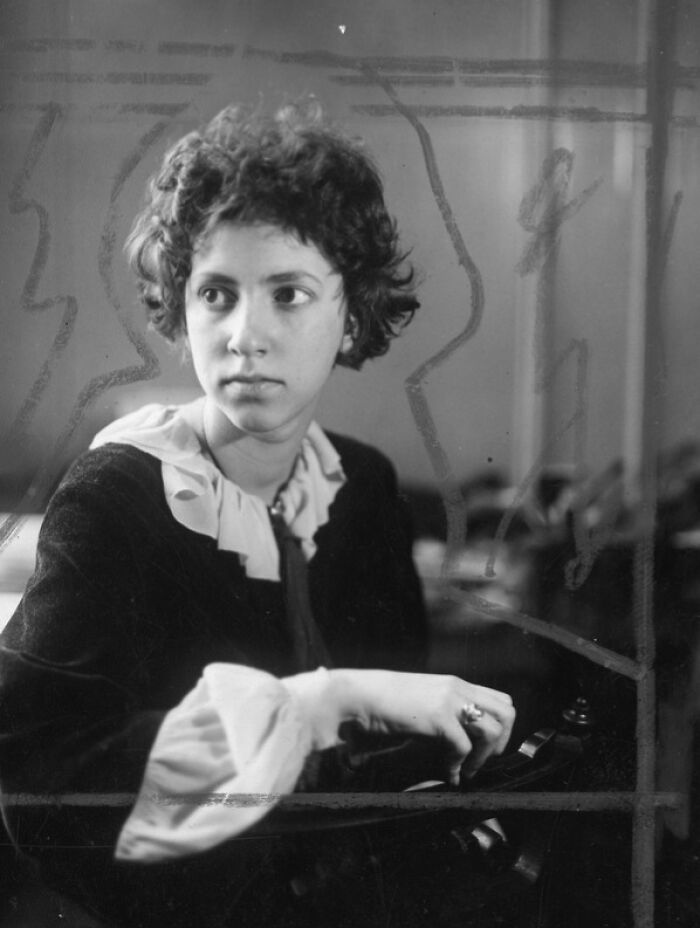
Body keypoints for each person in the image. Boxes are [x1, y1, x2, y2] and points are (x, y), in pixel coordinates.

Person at [0, 99, 515, 927]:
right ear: (180, 304)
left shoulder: (364, 488)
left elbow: (391, 751)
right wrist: (320, 704)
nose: (246, 335)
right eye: (216, 293)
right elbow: (42, 794)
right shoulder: (117, 500)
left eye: (289, 293)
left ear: (353, 311)